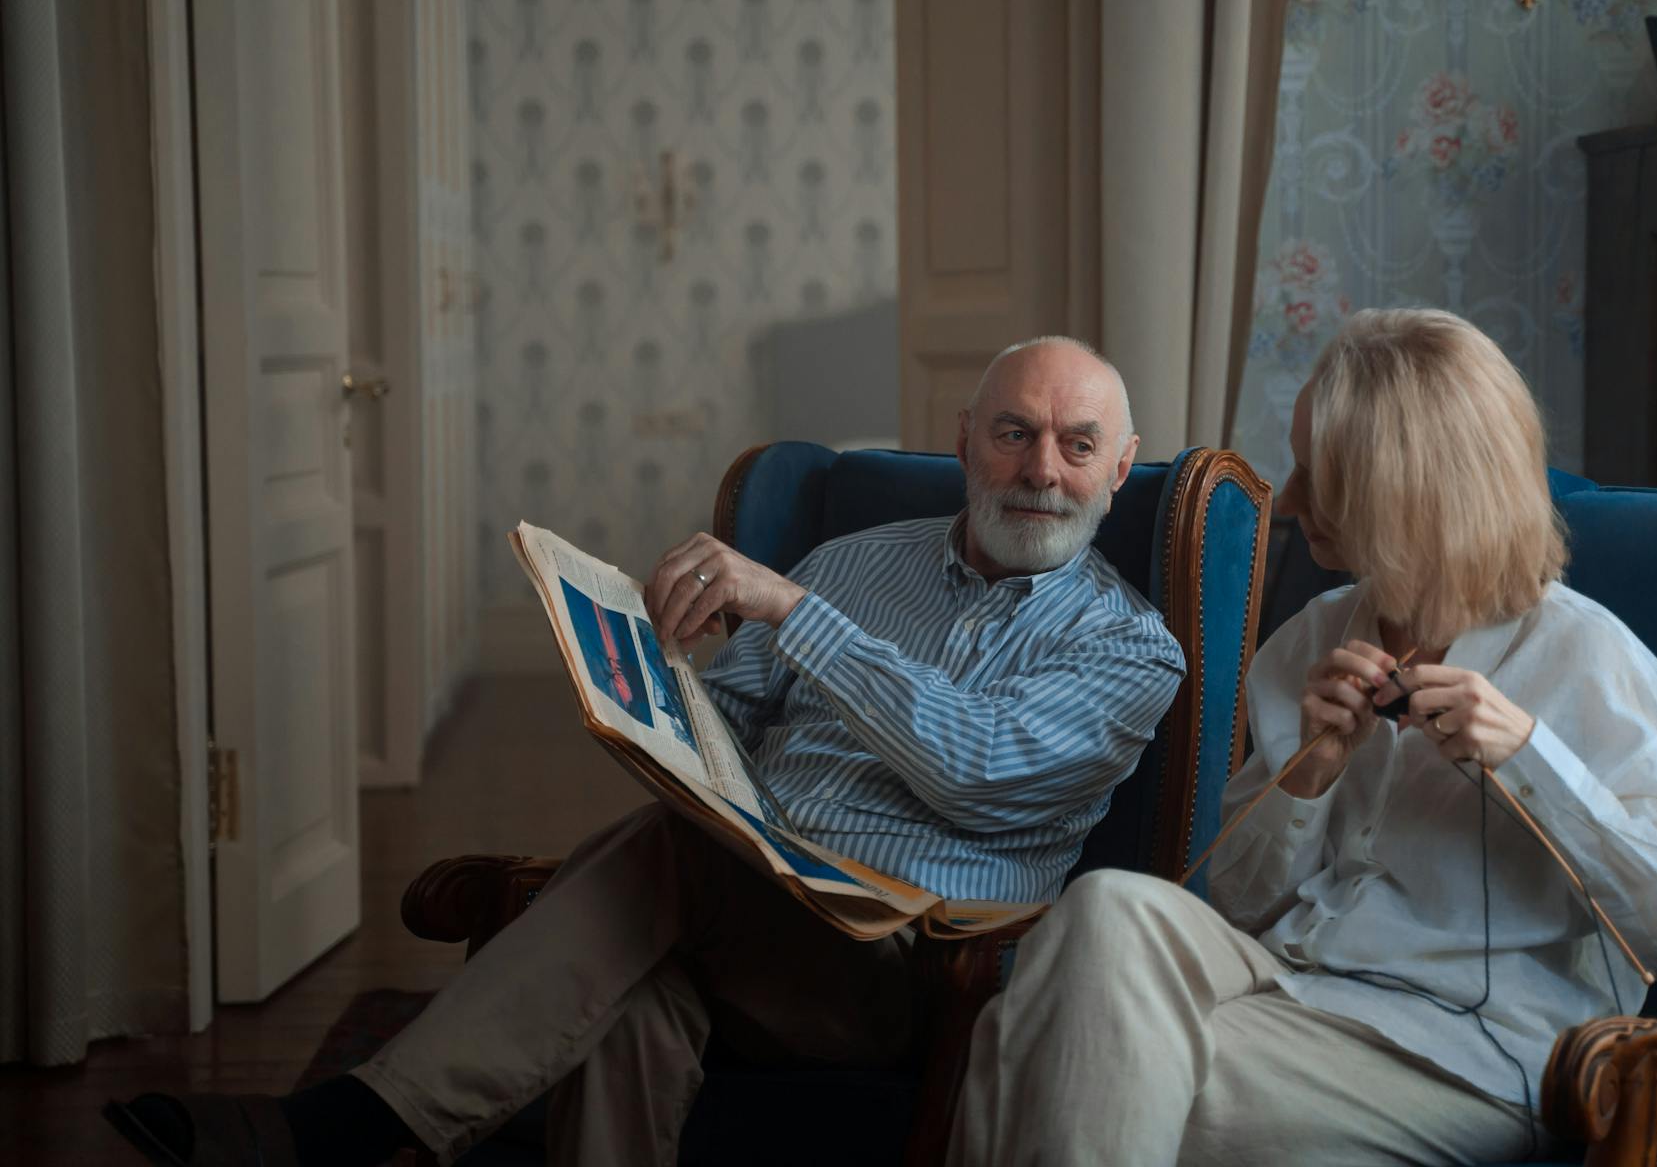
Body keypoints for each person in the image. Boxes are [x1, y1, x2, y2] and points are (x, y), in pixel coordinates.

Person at [106, 337, 1185, 1167]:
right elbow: (737, 713)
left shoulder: (1132, 646)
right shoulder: (859, 561)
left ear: (1121, 466)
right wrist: (652, 695)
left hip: (906, 966)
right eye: (1013, 432)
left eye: (1078, 444)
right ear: (964, 439)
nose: (1042, 468)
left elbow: (981, 762)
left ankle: (348, 1122)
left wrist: (796, 612)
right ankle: (357, 1124)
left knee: (674, 860)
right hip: (740, 905)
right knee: (635, 994)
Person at [949, 309, 1657, 1166]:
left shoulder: (1587, 658)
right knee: (1108, 908)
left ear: (1401, 489)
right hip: (1291, 989)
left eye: (1317, 473)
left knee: (1037, 1042)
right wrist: (1310, 776)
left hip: (1468, 1055)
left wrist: (1530, 759)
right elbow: (1242, 907)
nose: (1286, 500)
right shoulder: (1313, 637)